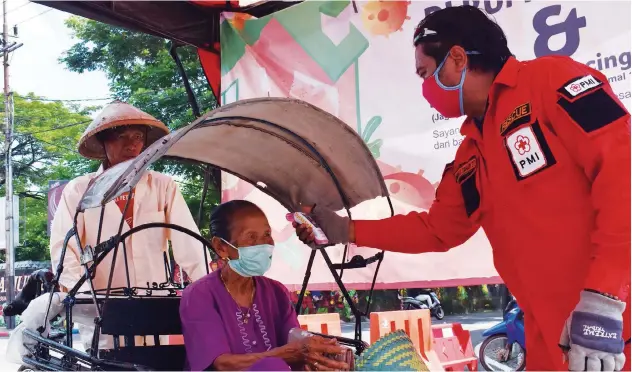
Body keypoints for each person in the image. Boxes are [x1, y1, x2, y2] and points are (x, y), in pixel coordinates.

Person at [294, 6, 630, 372]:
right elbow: (437, 229)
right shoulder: (469, 156)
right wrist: (345, 229)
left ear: (456, 59)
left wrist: (604, 299)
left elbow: (622, 171)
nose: (424, 88)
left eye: (425, 73)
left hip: (613, 322)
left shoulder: (549, 82)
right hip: (551, 339)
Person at [50, 100, 210, 349]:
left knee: (155, 362)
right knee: (106, 363)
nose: (132, 144)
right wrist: (82, 297)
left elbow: (188, 241)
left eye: (138, 136)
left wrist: (210, 291)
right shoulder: (80, 189)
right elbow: (65, 247)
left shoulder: (162, 186)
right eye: (121, 136)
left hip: (153, 304)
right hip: (103, 309)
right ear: (104, 142)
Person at [180, 200, 349, 371]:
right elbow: (222, 364)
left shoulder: (276, 292)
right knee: (271, 366)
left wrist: (316, 354)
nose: (265, 244)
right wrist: (287, 354)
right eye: (252, 237)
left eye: (267, 234)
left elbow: (295, 343)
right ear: (221, 247)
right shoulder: (200, 294)